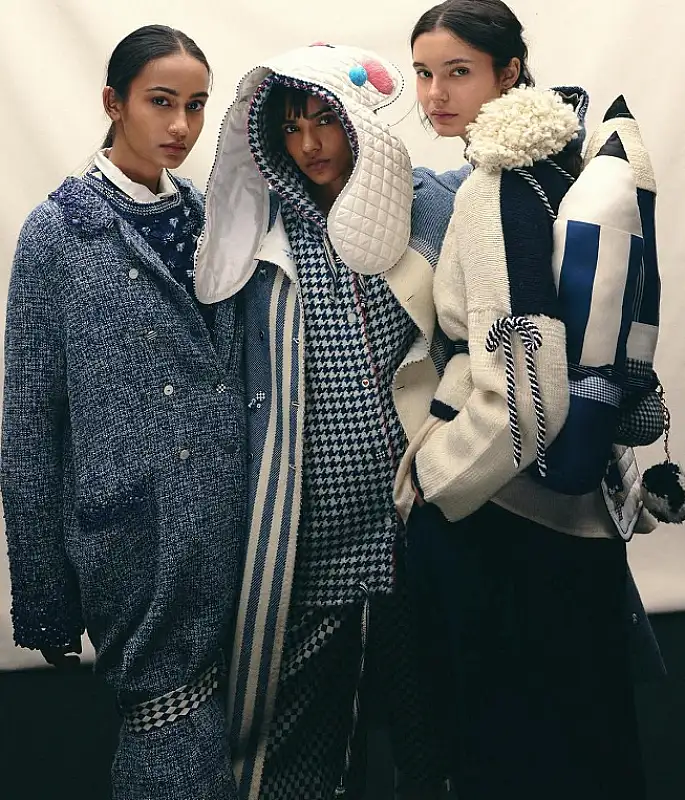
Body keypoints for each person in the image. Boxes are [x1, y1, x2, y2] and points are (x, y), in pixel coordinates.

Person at [393, 1, 665, 798]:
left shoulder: (496, 187)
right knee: (585, 738)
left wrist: (439, 480)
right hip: (571, 513)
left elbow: (527, 382)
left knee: (507, 751)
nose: (434, 93)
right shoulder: (559, 167)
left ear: (507, 72)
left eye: (457, 72)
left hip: (503, 523)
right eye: (423, 73)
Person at [193, 43, 469, 800]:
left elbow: (466, 337)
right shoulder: (262, 237)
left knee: (431, 722)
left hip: (418, 508)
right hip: (314, 527)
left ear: (356, 121)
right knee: (301, 736)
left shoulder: (425, 205)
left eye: (323, 120)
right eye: (289, 127)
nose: (309, 143)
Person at [2, 25, 245, 800]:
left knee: (239, 747)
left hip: (233, 524)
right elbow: (28, 426)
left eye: (196, 106)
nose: (180, 125)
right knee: (164, 743)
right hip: (135, 542)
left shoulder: (209, 220)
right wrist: (44, 595)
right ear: (114, 102)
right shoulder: (57, 233)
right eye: (160, 102)